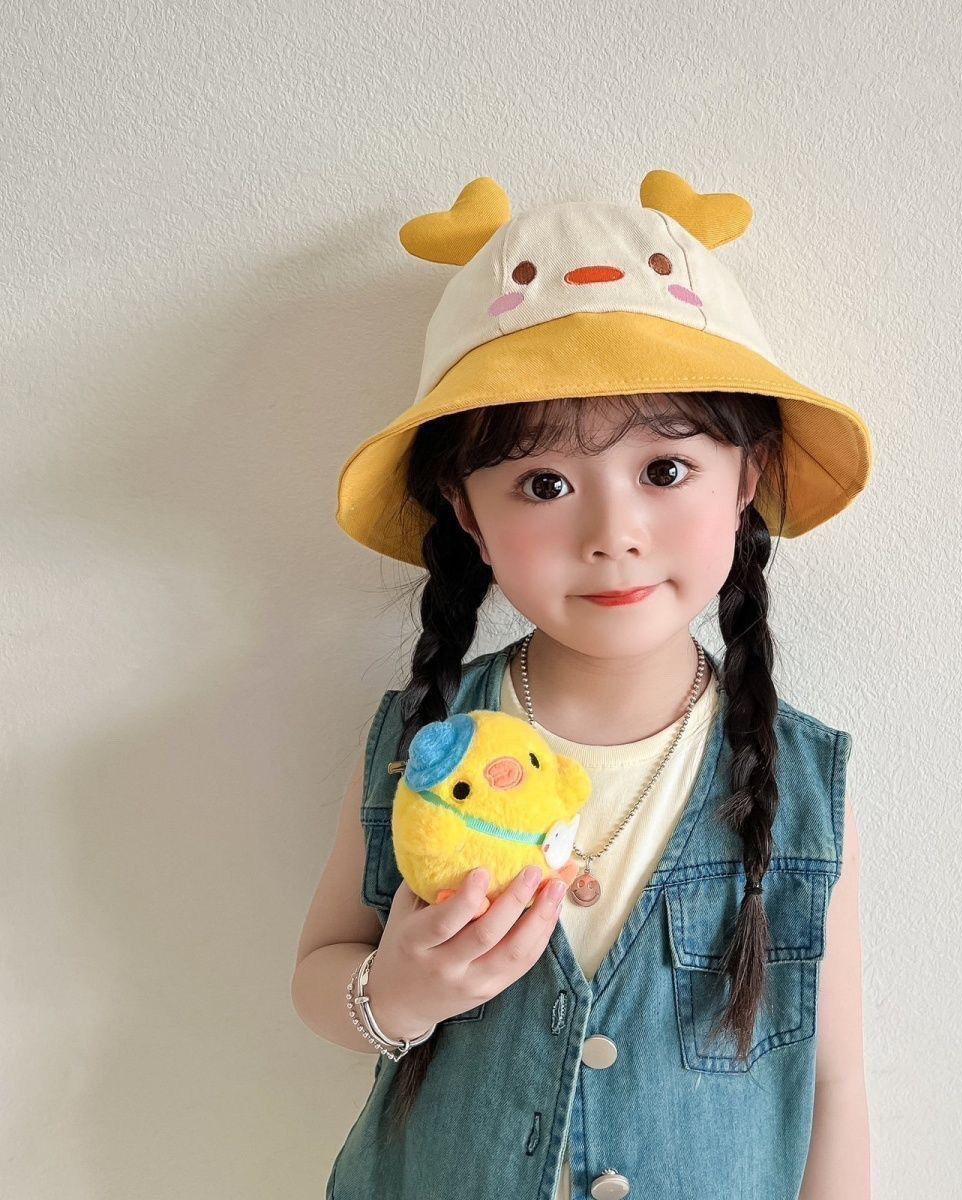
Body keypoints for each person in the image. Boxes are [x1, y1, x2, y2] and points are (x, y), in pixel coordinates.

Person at [292, 168, 874, 1200]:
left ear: (747, 477)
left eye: (665, 470)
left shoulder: (800, 779)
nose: (613, 534)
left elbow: (830, 1079)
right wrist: (396, 994)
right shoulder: (421, 738)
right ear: (467, 514)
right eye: (544, 483)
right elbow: (320, 970)